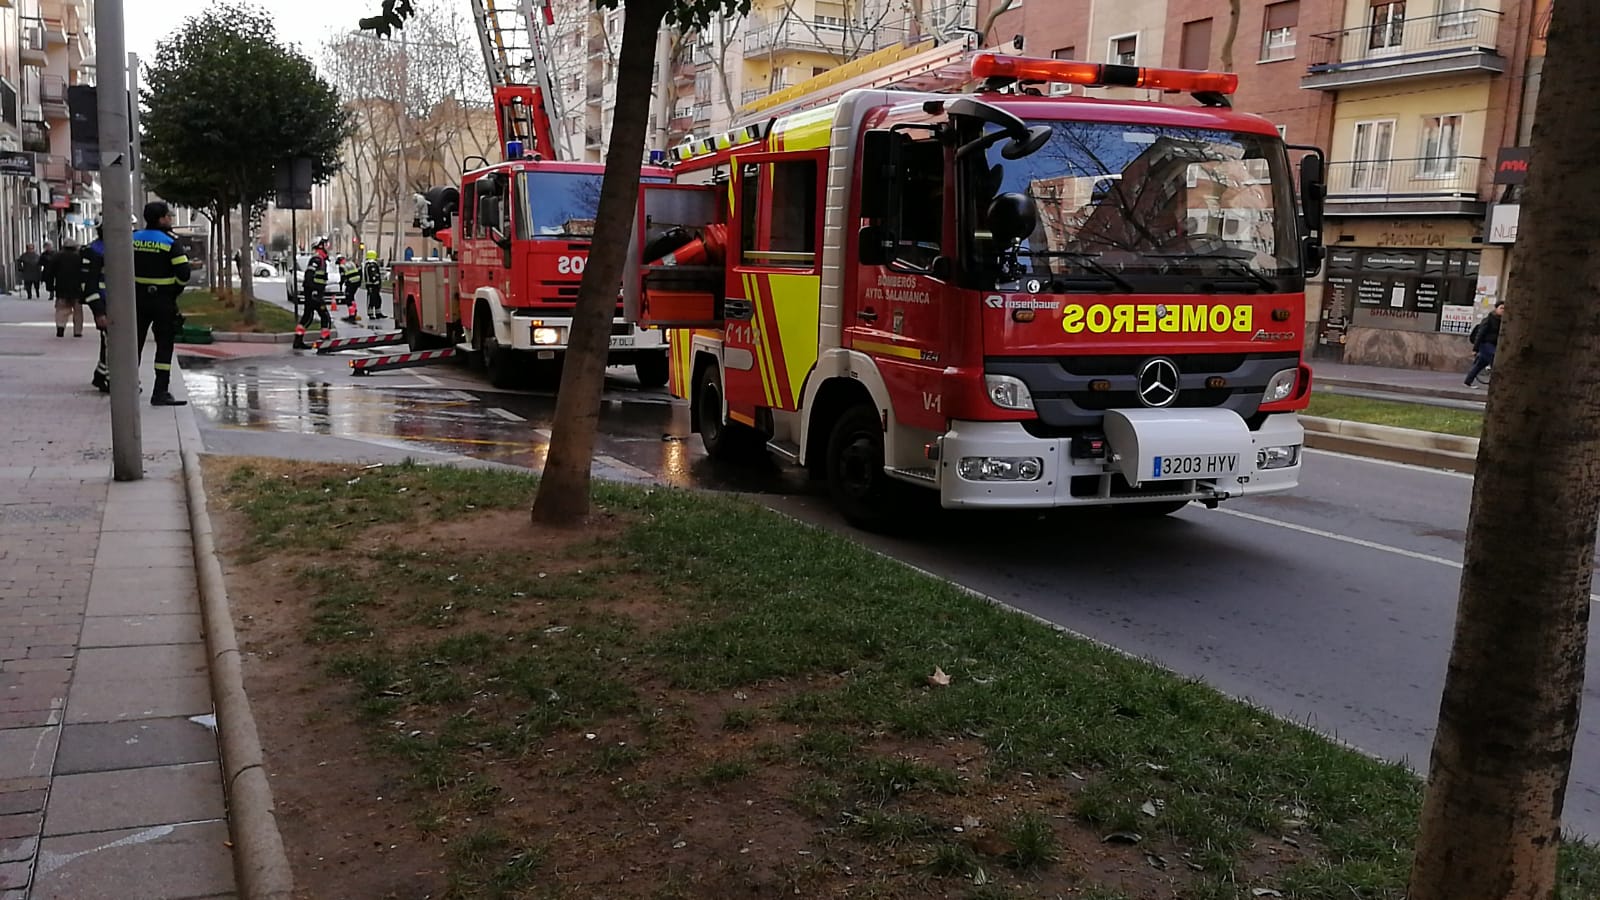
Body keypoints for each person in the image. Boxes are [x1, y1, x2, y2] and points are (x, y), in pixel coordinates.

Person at [132, 202, 192, 406]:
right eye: (169, 216)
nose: (171, 219)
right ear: (161, 219)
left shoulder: (133, 238)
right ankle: (160, 392)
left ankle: (129, 388)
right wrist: (174, 290)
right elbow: (184, 273)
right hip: (163, 301)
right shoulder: (170, 241)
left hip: (137, 300)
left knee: (134, 345)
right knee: (164, 346)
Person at [80, 228, 110, 393]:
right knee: (110, 341)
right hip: (104, 303)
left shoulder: (121, 247)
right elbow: (88, 284)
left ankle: (100, 375)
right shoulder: (94, 251)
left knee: (109, 341)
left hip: (118, 303)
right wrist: (99, 311)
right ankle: (108, 379)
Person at [295, 238, 332, 350]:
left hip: (313, 293)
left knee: (307, 317)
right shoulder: (317, 259)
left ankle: (298, 341)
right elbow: (309, 275)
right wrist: (314, 291)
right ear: (320, 246)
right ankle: (325, 341)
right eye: (325, 245)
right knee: (325, 316)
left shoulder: (320, 259)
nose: (327, 247)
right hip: (314, 293)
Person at [1464, 301, 1505, 388]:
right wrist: (1475, 349)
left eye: (1504, 308)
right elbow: (1480, 334)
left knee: (1480, 364)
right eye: (1501, 308)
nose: (1503, 310)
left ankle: (1467, 381)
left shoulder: (1504, 321)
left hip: (1494, 345)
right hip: (1486, 344)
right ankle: (1496, 383)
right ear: (1496, 309)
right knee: (1496, 359)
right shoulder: (1489, 319)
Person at [50, 237, 83, 337]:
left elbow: (50, 271)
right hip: (77, 288)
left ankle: (60, 327)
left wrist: (50, 285)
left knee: (61, 309)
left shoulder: (57, 256)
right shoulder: (79, 257)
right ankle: (77, 331)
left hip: (61, 287)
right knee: (77, 311)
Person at [337, 254, 361, 322]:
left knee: (348, 299)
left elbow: (342, 277)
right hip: (357, 282)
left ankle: (351, 316)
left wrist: (341, 285)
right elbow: (359, 270)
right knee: (352, 297)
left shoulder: (342, 266)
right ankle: (354, 312)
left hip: (351, 282)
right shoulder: (351, 263)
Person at [363, 250, 385, 319]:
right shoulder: (370, 265)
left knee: (377, 299)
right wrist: (375, 281)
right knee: (371, 299)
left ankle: (378, 313)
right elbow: (373, 275)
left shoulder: (371, 264)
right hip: (371, 285)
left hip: (375, 285)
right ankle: (371, 314)